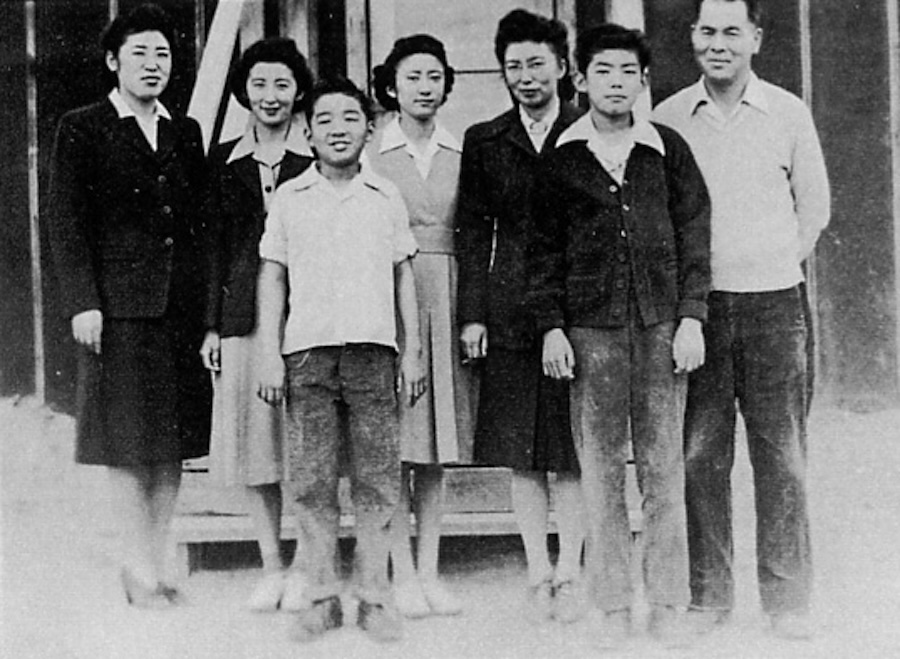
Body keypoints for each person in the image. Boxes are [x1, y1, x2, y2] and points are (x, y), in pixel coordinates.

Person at [529, 24, 711, 648]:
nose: (615, 82)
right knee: (601, 472)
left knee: (664, 469)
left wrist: (691, 316)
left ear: (642, 80)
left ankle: (666, 601)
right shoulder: (561, 159)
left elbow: (695, 237)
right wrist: (553, 328)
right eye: (602, 70)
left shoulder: (668, 151)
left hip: (662, 329)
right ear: (581, 80)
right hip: (591, 334)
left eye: (627, 71)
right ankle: (610, 604)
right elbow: (542, 254)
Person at [653, 0, 830, 641]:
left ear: (755, 38)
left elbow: (814, 209)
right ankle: (709, 597)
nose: (719, 44)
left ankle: (787, 600)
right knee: (700, 454)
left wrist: (770, 261)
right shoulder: (668, 117)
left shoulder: (787, 112)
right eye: (708, 31)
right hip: (698, 313)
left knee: (781, 455)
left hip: (775, 305)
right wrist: (691, 301)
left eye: (733, 31)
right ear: (692, 38)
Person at [45, 3, 210, 607]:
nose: (152, 64)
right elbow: (66, 222)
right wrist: (83, 302)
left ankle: (159, 562)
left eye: (162, 54)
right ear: (114, 62)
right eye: (139, 53)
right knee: (127, 442)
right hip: (117, 312)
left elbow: (198, 226)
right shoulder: (83, 126)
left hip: (179, 314)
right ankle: (137, 568)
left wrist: (208, 318)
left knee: (173, 444)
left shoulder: (183, 131)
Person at [255, 77, 425, 643]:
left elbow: (404, 274)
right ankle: (323, 594)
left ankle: (375, 595)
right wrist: (270, 355)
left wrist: (413, 351)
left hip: (375, 354)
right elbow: (272, 277)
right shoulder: (289, 197)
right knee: (311, 481)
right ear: (307, 131)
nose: (337, 129)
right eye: (324, 119)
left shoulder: (385, 196)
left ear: (370, 128)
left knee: (379, 479)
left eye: (350, 118)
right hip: (307, 356)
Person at [456, 9, 586, 624]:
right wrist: (472, 314)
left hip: (578, 303)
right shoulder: (486, 139)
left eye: (537, 64)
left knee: (573, 445)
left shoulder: (589, 128)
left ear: (563, 67)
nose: (527, 77)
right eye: (515, 67)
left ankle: (573, 568)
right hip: (509, 306)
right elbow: (473, 229)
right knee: (522, 448)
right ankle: (539, 568)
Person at [199, 37, 314, 612]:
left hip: (310, 315)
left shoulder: (320, 150)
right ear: (244, 92)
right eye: (260, 85)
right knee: (257, 445)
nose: (271, 96)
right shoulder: (221, 158)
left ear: (299, 92)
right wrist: (213, 326)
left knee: (306, 445)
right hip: (243, 317)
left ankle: (306, 565)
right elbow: (212, 248)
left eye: (283, 84)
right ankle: (271, 561)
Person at [367, 34, 474, 619]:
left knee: (433, 445)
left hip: (449, 292)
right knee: (393, 443)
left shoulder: (465, 150)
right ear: (392, 86)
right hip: (388, 295)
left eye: (434, 76)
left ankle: (429, 570)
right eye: (413, 77)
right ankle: (398, 570)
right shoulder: (370, 149)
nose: (425, 87)